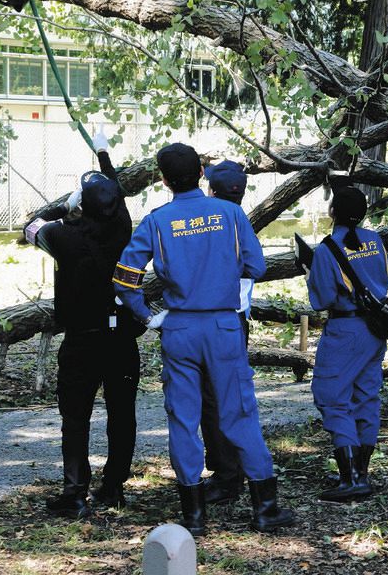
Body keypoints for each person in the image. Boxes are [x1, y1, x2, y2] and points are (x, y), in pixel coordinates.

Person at [113, 143, 295, 535]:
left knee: (183, 417)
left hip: (178, 328)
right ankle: (265, 508)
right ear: (201, 174)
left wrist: (147, 316)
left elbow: (125, 279)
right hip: (224, 327)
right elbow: (257, 266)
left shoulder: (157, 220)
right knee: (239, 412)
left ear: (163, 180)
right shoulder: (230, 214)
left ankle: (194, 515)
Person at [23, 139, 142, 519]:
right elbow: (117, 194)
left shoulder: (62, 236)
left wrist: (64, 207)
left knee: (75, 417)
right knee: (122, 413)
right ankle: (114, 486)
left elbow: (30, 226)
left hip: (81, 340)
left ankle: (75, 491)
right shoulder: (125, 231)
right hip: (122, 337)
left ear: (82, 205)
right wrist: (105, 156)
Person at [305, 186, 388, 502]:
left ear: (332, 212)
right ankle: (360, 471)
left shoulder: (328, 250)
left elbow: (323, 299)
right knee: (366, 395)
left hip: (345, 329)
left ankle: (351, 478)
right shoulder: (376, 241)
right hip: (375, 328)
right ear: (364, 212)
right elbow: (384, 279)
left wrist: (310, 273)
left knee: (331, 396)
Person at [198, 160, 251, 505]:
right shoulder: (240, 221)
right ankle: (229, 467)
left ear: (211, 191)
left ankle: (228, 475)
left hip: (217, 321)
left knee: (215, 401)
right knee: (227, 397)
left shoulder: (214, 226)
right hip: (237, 320)